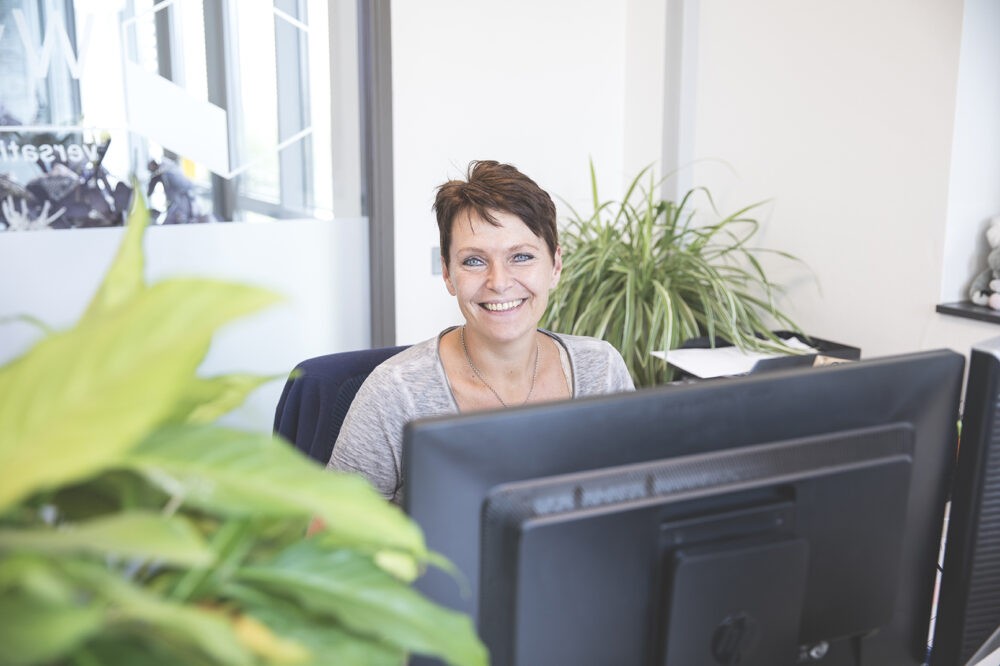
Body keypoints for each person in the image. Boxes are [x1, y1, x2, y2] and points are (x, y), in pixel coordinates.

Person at [327, 160, 634, 504]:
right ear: (447, 273)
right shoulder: (396, 392)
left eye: (521, 256)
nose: (499, 282)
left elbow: (639, 507)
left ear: (555, 266)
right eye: (474, 260)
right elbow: (328, 539)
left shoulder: (601, 371)